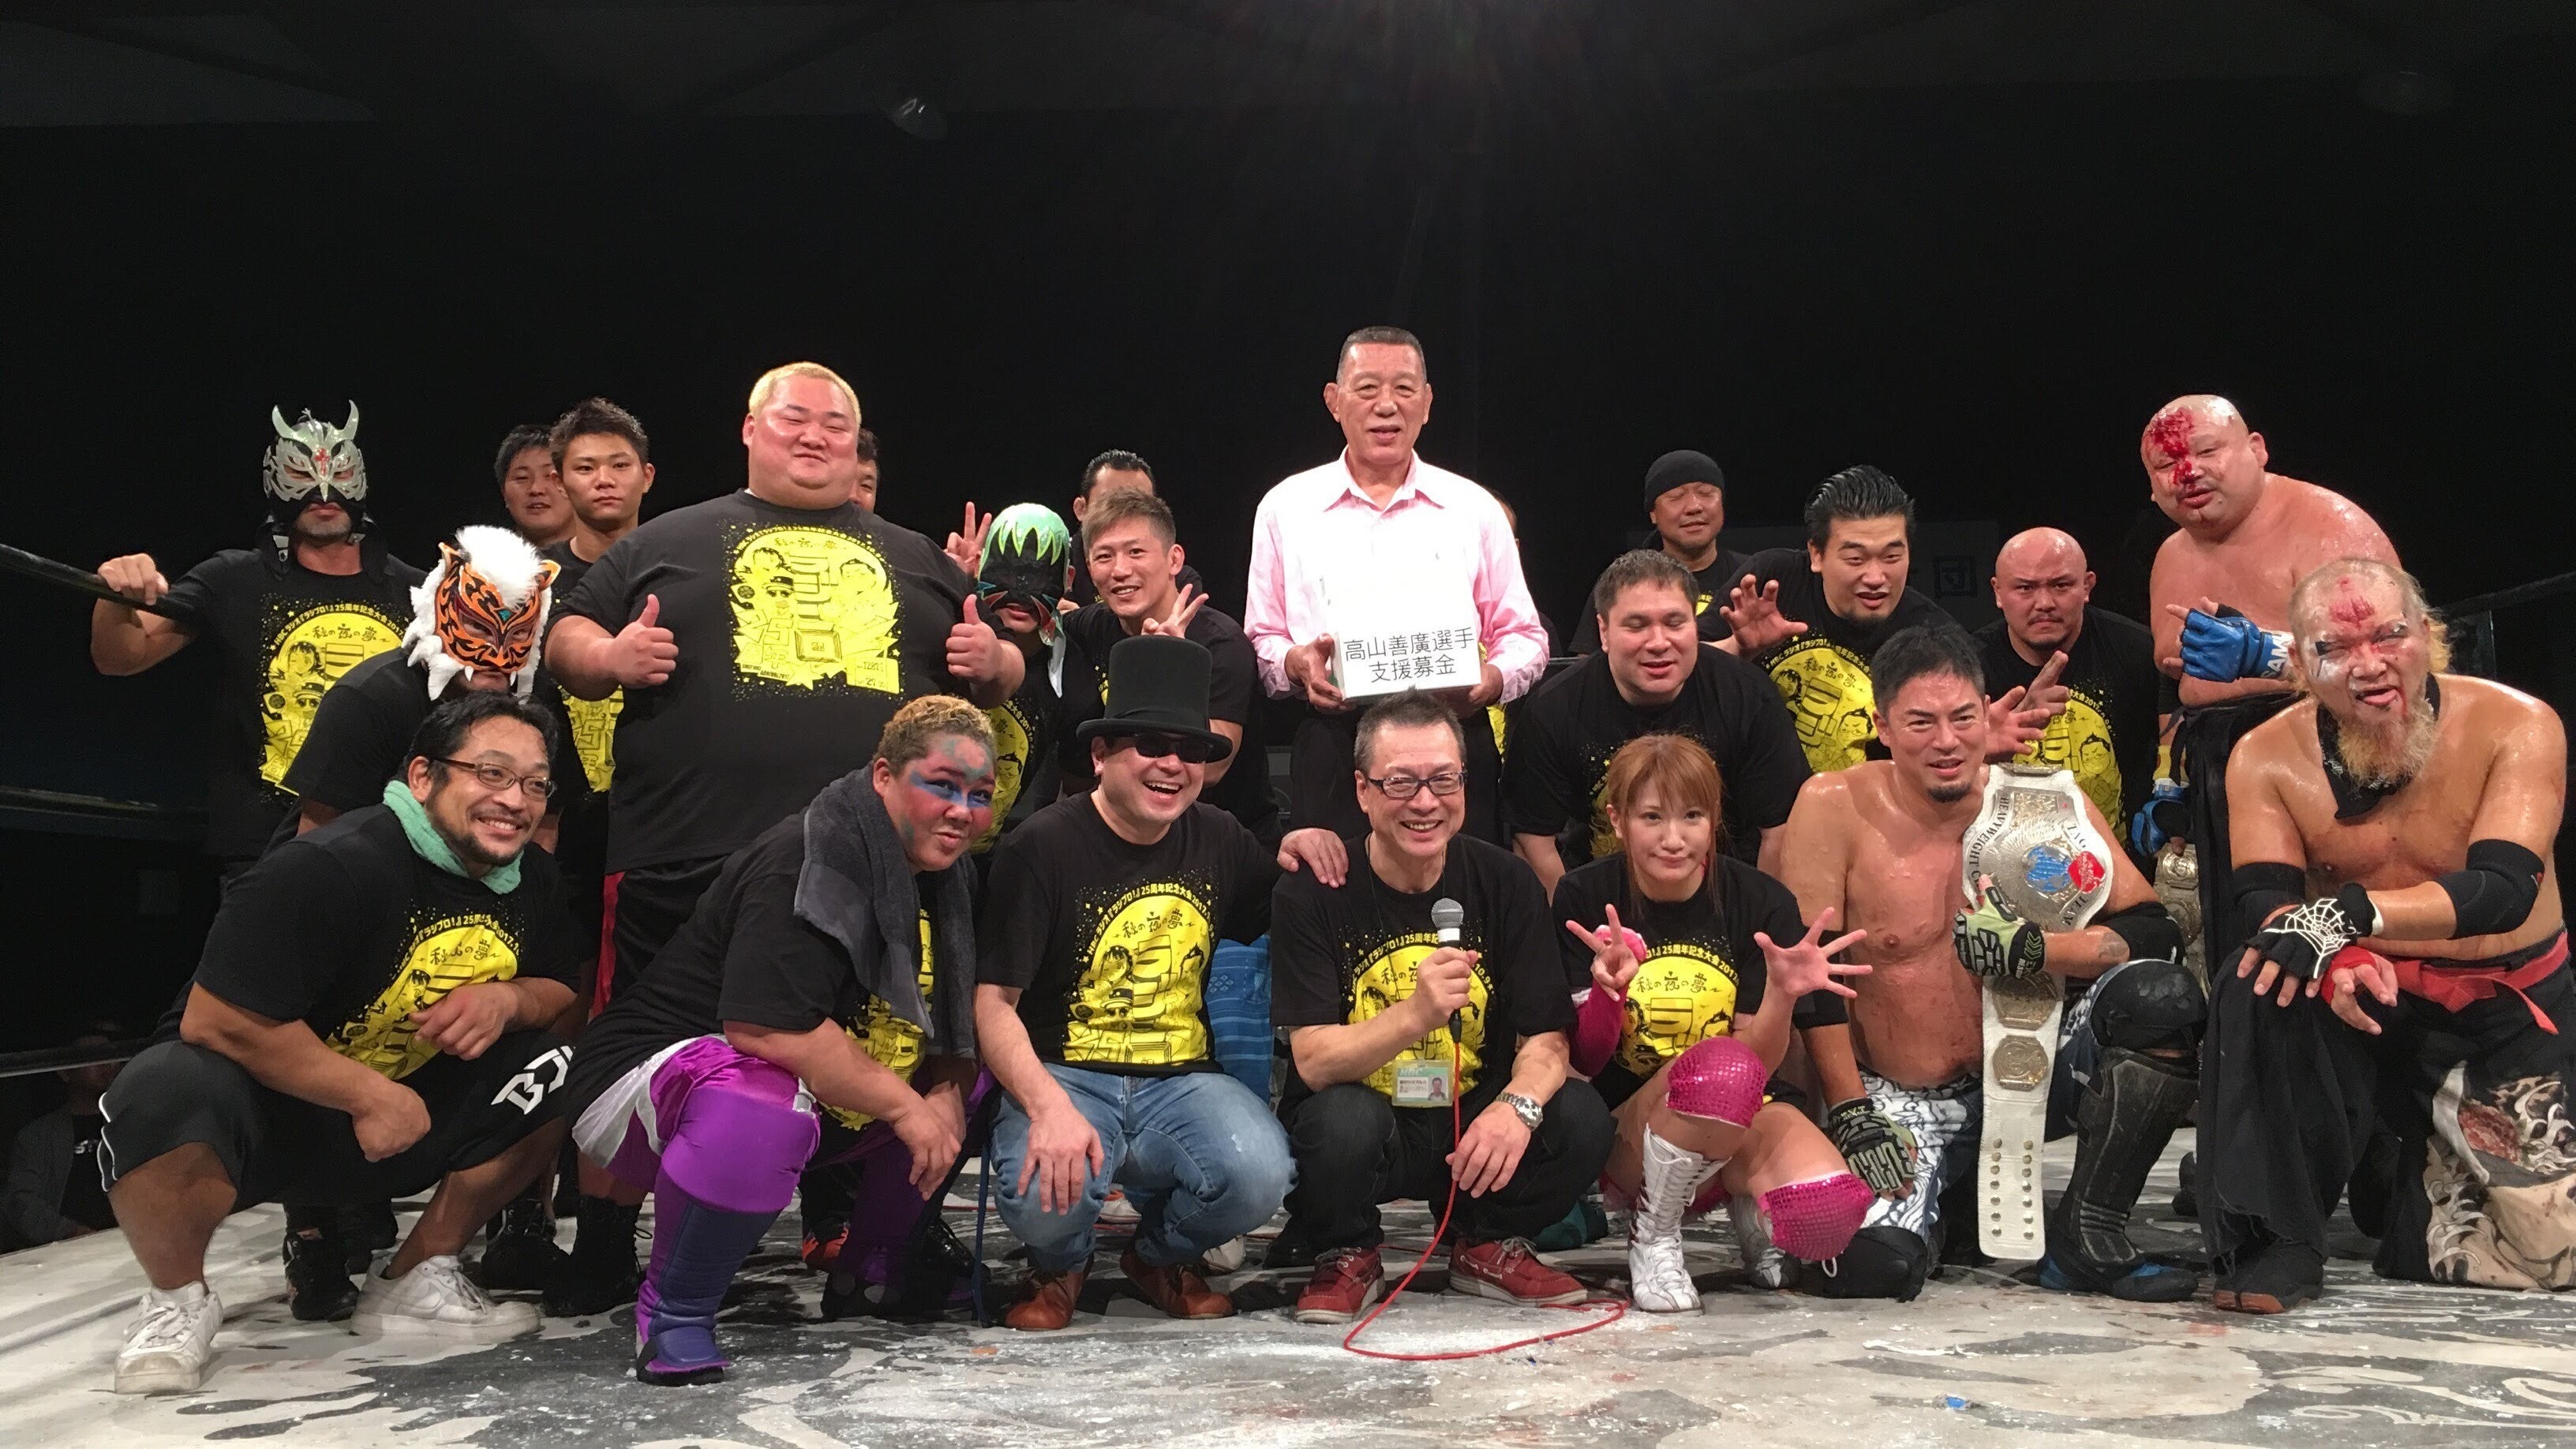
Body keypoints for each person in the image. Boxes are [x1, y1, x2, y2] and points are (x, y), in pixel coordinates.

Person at [541, 361, 1020, 1312]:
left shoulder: (917, 555)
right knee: (654, 1045)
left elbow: (1003, 670)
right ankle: (601, 1242)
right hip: (684, 849)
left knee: (880, 1041)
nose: (814, 435)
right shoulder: (664, 541)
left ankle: (868, 1239)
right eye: (793, 417)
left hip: (871, 868)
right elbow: (565, 641)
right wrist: (610, 655)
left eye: (835, 423)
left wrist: (995, 658)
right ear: (750, 430)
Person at [99, 691, 580, 1394]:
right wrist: (367, 1093)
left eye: (535, 784)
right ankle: (176, 1300)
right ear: (423, 777)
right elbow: (216, 1020)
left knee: (563, 1066)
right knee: (160, 1087)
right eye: (491, 773)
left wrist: (508, 1000)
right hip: (269, 1121)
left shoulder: (531, 878)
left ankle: (416, 1276)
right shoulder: (331, 864)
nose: (515, 800)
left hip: (411, 1116)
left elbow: (561, 987)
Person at [563, 698, 995, 1382]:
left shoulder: (948, 876)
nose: (962, 811)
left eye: (980, 795)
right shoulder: (806, 856)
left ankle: (873, 1272)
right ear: (884, 776)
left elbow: (953, 1025)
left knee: (974, 1077)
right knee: (759, 1100)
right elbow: (768, 1028)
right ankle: (676, 1312)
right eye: (942, 785)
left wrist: (944, 1090)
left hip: (800, 1087)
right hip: (652, 1079)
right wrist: (909, 1108)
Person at [1773, 625, 2197, 1302]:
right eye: (1921, 722)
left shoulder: (2044, 802)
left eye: (1963, 718)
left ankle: (2089, 1234)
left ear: (1986, 713)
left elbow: (2154, 932)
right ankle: (1950, 1207)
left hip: (2035, 1079)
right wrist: (1850, 1111)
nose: (1946, 741)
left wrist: (2038, 949)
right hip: (1903, 1095)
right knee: (1869, 1268)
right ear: (1883, 726)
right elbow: (1810, 975)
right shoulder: (1834, 806)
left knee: (2162, 999)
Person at [2206, 559, 2567, 1312]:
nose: (2368, 664)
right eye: (2335, 648)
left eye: (2389, 635)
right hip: (2368, 998)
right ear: (2301, 665)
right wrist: (2335, 953)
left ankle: (2390, 1162)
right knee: (2260, 971)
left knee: (2539, 1252)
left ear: (2428, 637)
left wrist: (2347, 915)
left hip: (2501, 1008)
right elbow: (2263, 898)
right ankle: (2278, 1242)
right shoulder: (2264, 756)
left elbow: (2503, 890)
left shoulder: (2516, 723)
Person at [263, 523, 586, 1307]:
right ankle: (314, 1224)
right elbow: (317, 850)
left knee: (557, 1018)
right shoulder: (373, 697)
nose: (491, 661)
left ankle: (510, 1219)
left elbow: (540, 843)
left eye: (513, 640)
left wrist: (507, 976)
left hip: (484, 908)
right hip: (365, 905)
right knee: (311, 1010)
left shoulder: (538, 705)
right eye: (476, 633)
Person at [975, 635, 1339, 1331]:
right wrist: (1047, 1106)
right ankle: (1061, 1263)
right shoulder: (1041, 846)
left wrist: (1298, 849)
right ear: (1100, 754)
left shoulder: (1221, 837)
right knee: (1044, 1190)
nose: (1173, 764)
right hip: (1067, 1073)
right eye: (1150, 744)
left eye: (1191, 750)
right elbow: (992, 1005)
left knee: (1260, 1173)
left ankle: (1158, 1258)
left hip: (1180, 1079)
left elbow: (1285, 910)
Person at [1271, 690, 1615, 1323]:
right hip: (1373, 1122)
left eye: (1443, 780)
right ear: (1363, 790)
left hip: (1469, 1119)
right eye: (1401, 782)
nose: (1425, 802)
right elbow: (1313, 1061)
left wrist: (1516, 1109)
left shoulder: (1506, 881)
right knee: (1337, 1124)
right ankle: (1347, 1250)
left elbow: (1546, 1039)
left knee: (1579, 1116)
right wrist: (1415, 1014)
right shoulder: (1316, 889)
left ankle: (1486, 1243)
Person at [1554, 736, 1874, 1309]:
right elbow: (1585, 1059)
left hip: (1738, 1100)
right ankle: (1653, 1233)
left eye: (1692, 817)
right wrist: (1608, 995)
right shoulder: (1585, 895)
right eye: (1652, 817)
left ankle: (1747, 1203)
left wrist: (1781, 997)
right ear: (1618, 820)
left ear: (1715, 819)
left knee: (1826, 1214)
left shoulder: (1761, 900)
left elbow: (1758, 1064)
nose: (1674, 839)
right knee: (1719, 1070)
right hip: (1630, 1127)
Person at [1242, 326, 1549, 841]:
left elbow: (1525, 636)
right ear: (1334, 401)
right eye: (1367, 388)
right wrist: (1296, 664)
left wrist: (1493, 680)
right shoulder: (1284, 508)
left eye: (1404, 389)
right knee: (1336, 887)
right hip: (1337, 742)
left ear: (1426, 403)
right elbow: (1262, 638)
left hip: (1452, 733)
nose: (1386, 405)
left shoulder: (1474, 508)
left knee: (1461, 887)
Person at [92, 403, 424, 868]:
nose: (323, 490)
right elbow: (121, 657)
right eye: (300, 473)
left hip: (395, 847)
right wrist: (115, 595)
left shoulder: (419, 591)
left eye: (340, 473)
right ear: (275, 480)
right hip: (263, 850)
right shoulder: (234, 578)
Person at [1506, 550, 1809, 890]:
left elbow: (1781, 830)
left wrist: (1761, 918)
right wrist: (1573, 916)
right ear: (1603, 631)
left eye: (1675, 623)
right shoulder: (1554, 708)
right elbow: (1533, 840)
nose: (1659, 643)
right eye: (1637, 626)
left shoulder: (1747, 694)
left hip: (1726, 895)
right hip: (1599, 895)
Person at [1735, 466, 2047, 777]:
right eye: (1856, 559)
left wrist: (1976, 750)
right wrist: (1739, 648)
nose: (1875, 577)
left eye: (1892, 557)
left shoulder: (1935, 638)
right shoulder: (1773, 582)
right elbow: (1703, 686)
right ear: (1817, 554)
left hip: (1872, 805)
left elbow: (1939, 763)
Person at [1061, 487, 1276, 837]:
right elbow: (1044, 626)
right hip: (1128, 835)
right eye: (1104, 557)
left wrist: (1167, 670)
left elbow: (1213, 766)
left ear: (1174, 560)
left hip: (1223, 838)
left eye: (1136, 552)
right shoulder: (1094, 625)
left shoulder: (1221, 642)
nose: (1120, 570)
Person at [1975, 528, 2160, 833]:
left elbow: (2176, 738)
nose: (2044, 603)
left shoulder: (2138, 651)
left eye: (2061, 585)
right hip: (2004, 854)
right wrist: (1985, 747)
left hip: (2121, 853)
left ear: (2087, 586)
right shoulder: (1966, 669)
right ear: (1998, 592)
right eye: (2025, 588)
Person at [970, 504, 1076, 849]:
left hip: (1001, 852)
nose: (1020, 594)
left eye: (1041, 577)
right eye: (1006, 571)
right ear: (981, 565)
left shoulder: (1071, 656)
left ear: (1067, 580)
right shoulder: (948, 626)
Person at [1571, 450, 1753, 653]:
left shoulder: (1751, 577)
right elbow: (1587, 663)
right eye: (1676, 497)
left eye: (1706, 494)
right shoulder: (1622, 580)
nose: (1694, 507)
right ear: (1653, 514)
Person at [3, 1028, 125, 1247]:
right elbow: (20, 1200)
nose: (108, 1064)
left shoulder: (131, 1121)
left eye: (111, 1055)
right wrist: (69, 1232)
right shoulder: (39, 1135)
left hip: (132, 1240)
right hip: (68, 1253)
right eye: (93, 1056)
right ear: (64, 1072)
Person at [1062, 450, 1203, 608]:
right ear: (1081, 509)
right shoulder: (1054, 567)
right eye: (1110, 503)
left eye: (1140, 504)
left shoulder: (1179, 579)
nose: (1126, 513)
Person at [496, 424, 573, 549]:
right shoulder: (479, 559)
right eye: (522, 478)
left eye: (551, 476)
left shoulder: (606, 558)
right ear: (503, 492)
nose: (536, 489)